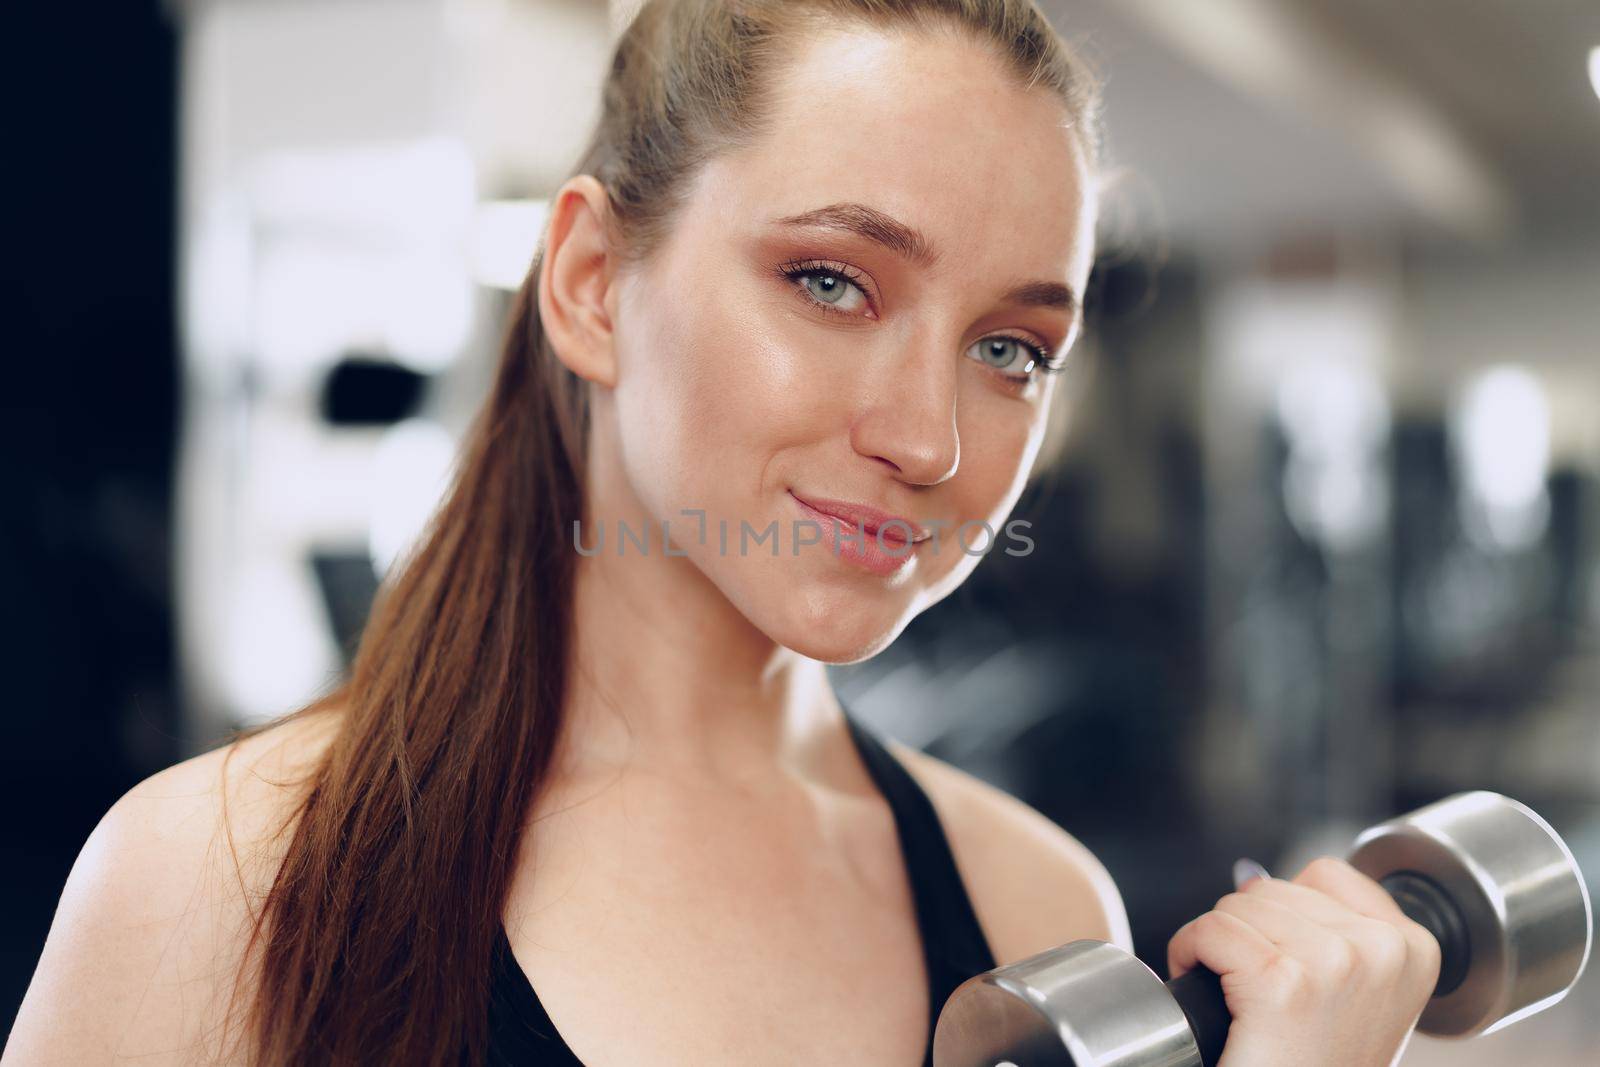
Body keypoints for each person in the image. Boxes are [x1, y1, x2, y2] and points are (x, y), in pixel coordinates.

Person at [5, 1, 1441, 1064]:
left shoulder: (1037, 908)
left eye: (1011, 350)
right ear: (587, 282)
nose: (929, 441)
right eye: (831, 280)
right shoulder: (222, 882)